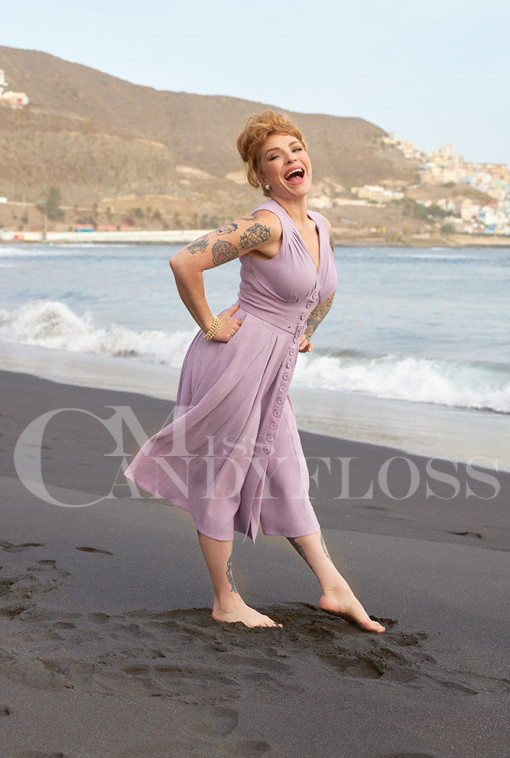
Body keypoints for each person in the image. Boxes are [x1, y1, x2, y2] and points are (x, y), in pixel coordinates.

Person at [125, 111, 385, 633]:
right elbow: (184, 262)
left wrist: (307, 328)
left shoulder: (320, 225)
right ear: (260, 175)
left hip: (275, 366)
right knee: (223, 474)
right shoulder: (265, 224)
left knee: (287, 473)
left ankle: (334, 587)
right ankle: (226, 600)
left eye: (296, 149)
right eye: (274, 156)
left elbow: (322, 289)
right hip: (236, 361)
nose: (290, 159)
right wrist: (210, 323)